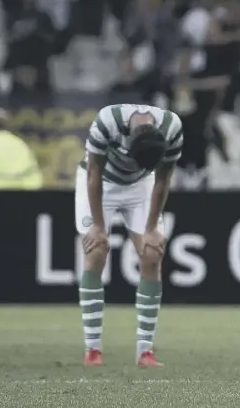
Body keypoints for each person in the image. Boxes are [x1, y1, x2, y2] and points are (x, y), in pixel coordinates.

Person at [75, 103, 183, 367]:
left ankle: (145, 351)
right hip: (102, 183)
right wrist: (98, 226)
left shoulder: (172, 128)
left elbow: (162, 181)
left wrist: (150, 230)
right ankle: (93, 350)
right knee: (97, 249)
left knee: (152, 254)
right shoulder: (107, 120)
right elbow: (94, 174)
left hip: (141, 186)